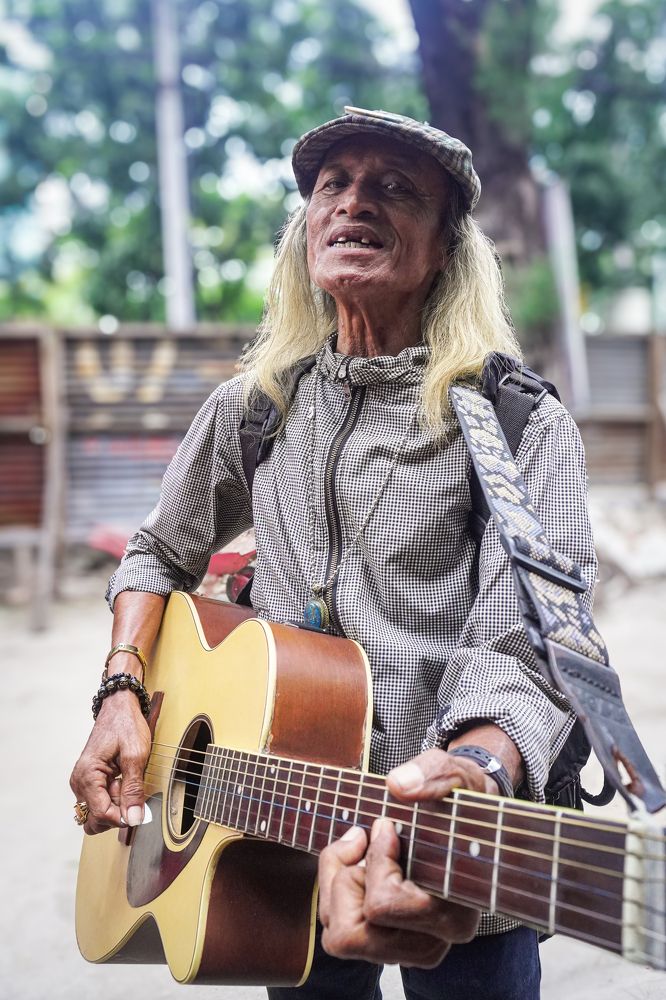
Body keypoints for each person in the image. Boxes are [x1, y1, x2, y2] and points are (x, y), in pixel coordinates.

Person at [70, 107, 597, 1000]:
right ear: (306, 226)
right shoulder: (260, 406)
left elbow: (528, 647)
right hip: (273, 838)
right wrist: (122, 691)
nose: (354, 203)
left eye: (394, 188)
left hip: (454, 841)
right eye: (332, 186)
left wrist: (471, 772)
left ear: (445, 248)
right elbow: (157, 553)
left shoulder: (519, 425)